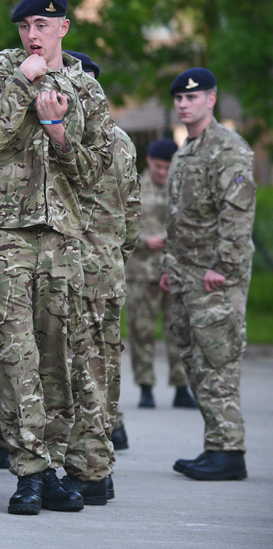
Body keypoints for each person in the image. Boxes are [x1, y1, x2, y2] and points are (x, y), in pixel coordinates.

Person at [0, 0, 114, 515]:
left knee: (57, 354)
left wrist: (58, 132)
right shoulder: (2, 70)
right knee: (14, 354)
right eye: (25, 26)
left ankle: (53, 465)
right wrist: (22, 82)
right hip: (5, 232)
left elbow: (97, 169)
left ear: (64, 28)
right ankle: (28, 471)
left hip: (61, 235)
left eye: (42, 25)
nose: (32, 35)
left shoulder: (86, 87)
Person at [161, 68, 255, 481]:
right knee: (195, 362)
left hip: (215, 277)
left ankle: (229, 449)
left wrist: (224, 266)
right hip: (186, 275)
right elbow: (178, 219)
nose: (184, 104)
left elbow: (237, 214)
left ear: (211, 100)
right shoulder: (186, 152)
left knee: (218, 361)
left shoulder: (227, 148)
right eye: (179, 98)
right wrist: (170, 266)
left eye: (192, 98)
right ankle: (215, 444)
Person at [60, 51, 140, 505]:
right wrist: (113, 254)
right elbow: (132, 214)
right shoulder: (123, 140)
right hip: (107, 267)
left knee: (84, 372)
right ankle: (100, 468)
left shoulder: (83, 141)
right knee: (103, 370)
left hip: (82, 268)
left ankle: (91, 473)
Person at [126, 139, 196, 410]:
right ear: (149, 160)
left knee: (179, 330)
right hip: (141, 272)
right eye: (158, 166)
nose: (163, 173)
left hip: (176, 269)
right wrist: (144, 239)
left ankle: (181, 387)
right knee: (141, 331)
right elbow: (119, 223)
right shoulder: (133, 187)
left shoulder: (183, 190)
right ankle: (145, 387)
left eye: (168, 167)